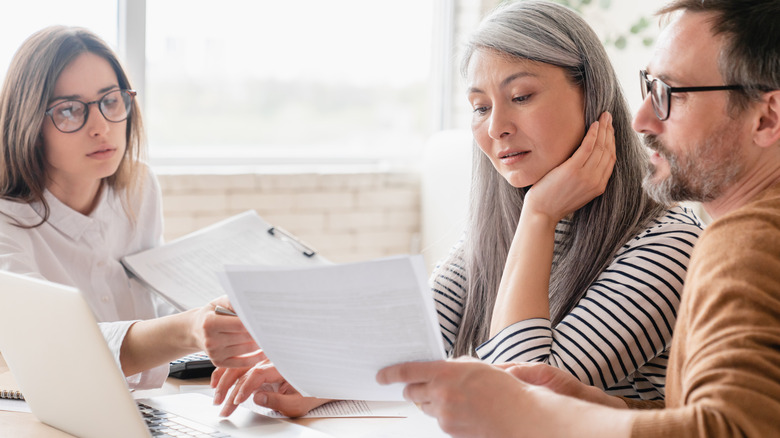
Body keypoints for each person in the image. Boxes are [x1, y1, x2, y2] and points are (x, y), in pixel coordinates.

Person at [211, 0, 703, 417]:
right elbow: (415, 336)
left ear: (592, 94)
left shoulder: (669, 243)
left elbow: (522, 398)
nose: (496, 128)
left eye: (521, 96)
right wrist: (314, 377)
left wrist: (538, 216)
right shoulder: (501, 227)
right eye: (480, 106)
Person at [377, 0, 780, 436]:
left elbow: (512, 404)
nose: (640, 117)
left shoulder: (717, 242)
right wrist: (606, 407)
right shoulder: (740, 237)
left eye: (670, 93)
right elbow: (404, 346)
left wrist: (539, 214)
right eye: (479, 107)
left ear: (766, 116)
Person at [0, 26, 263, 390]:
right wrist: (189, 329)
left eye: (110, 101)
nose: (100, 127)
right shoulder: (7, 222)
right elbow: (55, 350)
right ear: (28, 122)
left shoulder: (137, 188)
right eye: (69, 110)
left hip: (146, 406)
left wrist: (226, 319)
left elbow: (153, 297)